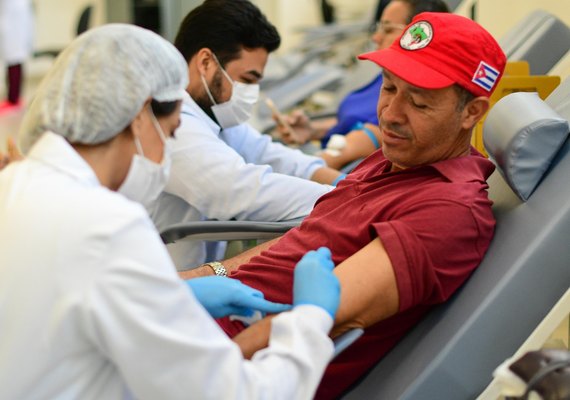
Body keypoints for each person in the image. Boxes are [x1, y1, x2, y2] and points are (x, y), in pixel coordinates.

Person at [0, 23, 342, 399]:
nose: (169, 152)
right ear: (141, 115)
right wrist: (311, 319)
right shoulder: (109, 228)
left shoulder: (16, 185)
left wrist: (179, 293)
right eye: (173, 130)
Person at [183, 12, 508, 399]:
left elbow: (322, 319)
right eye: (388, 89)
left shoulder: (448, 211)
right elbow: (300, 240)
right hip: (196, 325)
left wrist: (197, 375)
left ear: (471, 112)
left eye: (419, 104)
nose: (390, 114)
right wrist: (200, 278)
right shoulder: (394, 157)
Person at [149, 0, 342, 271]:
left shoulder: (213, 114)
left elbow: (274, 156)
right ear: (206, 62)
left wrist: (350, 185)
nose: (251, 91)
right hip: (166, 284)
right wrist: (348, 203)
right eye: (247, 80)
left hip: (189, 278)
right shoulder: (173, 123)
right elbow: (237, 189)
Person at [278, 0, 449, 170]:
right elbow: (354, 120)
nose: (376, 37)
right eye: (378, 28)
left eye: (388, 29)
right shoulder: (384, 79)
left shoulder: (409, 93)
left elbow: (362, 139)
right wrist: (312, 130)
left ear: (419, 37)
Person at [0, 0, 33, 114]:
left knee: (14, 58)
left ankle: (13, 99)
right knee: (12, 59)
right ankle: (12, 98)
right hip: (12, 19)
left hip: (14, 21)